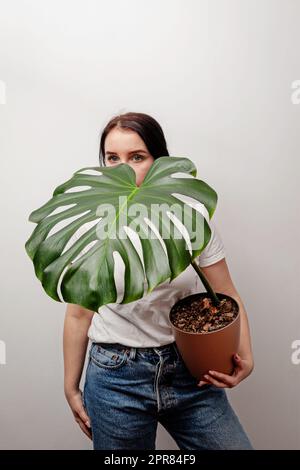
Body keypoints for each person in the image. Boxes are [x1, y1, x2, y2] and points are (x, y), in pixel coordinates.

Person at [63, 112, 254, 450]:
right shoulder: (94, 226)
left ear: (158, 161)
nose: (123, 168)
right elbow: (80, 314)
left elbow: (225, 292)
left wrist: (245, 355)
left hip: (189, 370)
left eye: (137, 157)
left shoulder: (188, 218)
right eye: (112, 158)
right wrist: (70, 386)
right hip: (115, 376)